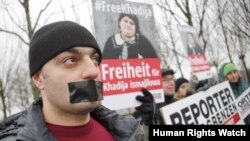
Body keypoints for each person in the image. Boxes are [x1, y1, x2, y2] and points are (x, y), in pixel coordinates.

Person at [0, 21, 148, 141]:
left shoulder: (130, 130)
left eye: (95, 60)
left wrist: (147, 123)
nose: (93, 71)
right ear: (39, 79)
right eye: (70, 60)